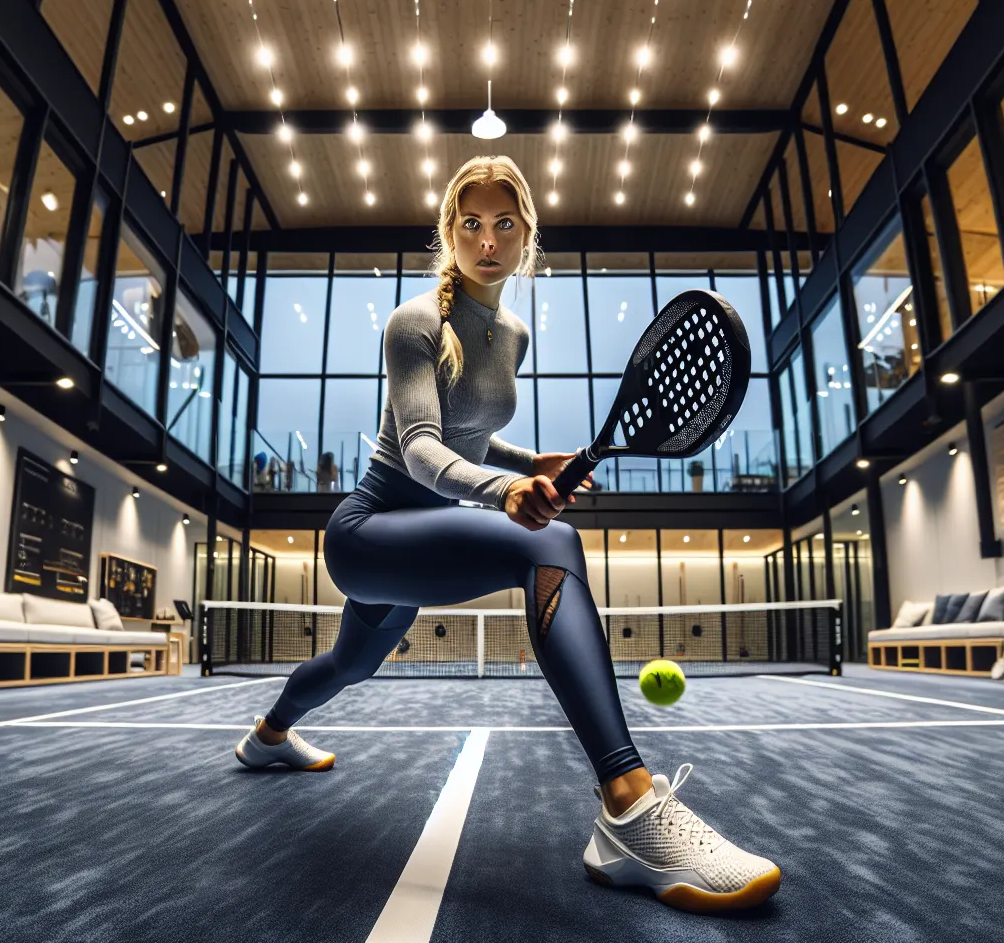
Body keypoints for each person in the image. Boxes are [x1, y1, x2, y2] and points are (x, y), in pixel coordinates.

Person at [233, 156, 781, 913]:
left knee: (350, 665)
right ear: (448, 232)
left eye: (504, 225)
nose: (487, 241)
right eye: (470, 225)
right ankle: (628, 803)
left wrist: (530, 462)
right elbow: (422, 446)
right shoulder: (413, 323)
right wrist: (504, 492)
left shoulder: (512, 332)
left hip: (423, 541)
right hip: (369, 534)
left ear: (527, 235)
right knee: (550, 545)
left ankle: (266, 735)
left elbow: (471, 434)